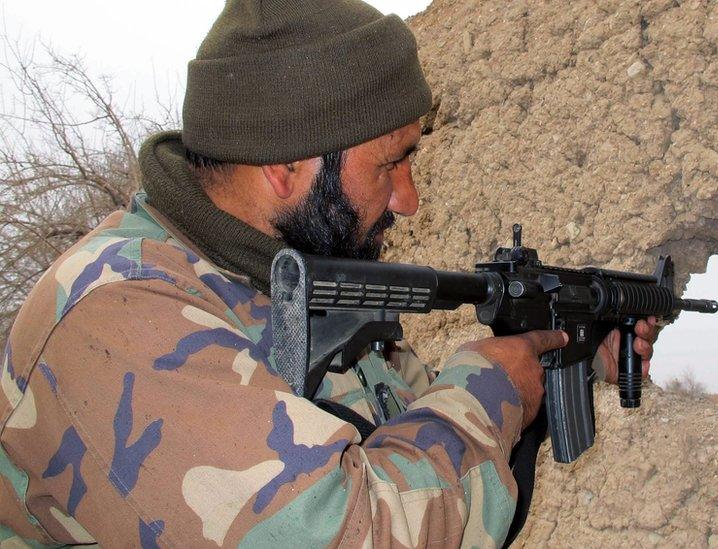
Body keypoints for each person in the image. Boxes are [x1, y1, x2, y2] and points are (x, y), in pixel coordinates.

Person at [0, 1, 657, 546]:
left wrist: (560, 361)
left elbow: (425, 451)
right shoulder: (119, 315)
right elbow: (354, 526)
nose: (409, 198)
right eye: (390, 163)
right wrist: (489, 396)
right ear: (285, 167)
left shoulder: (297, 292)